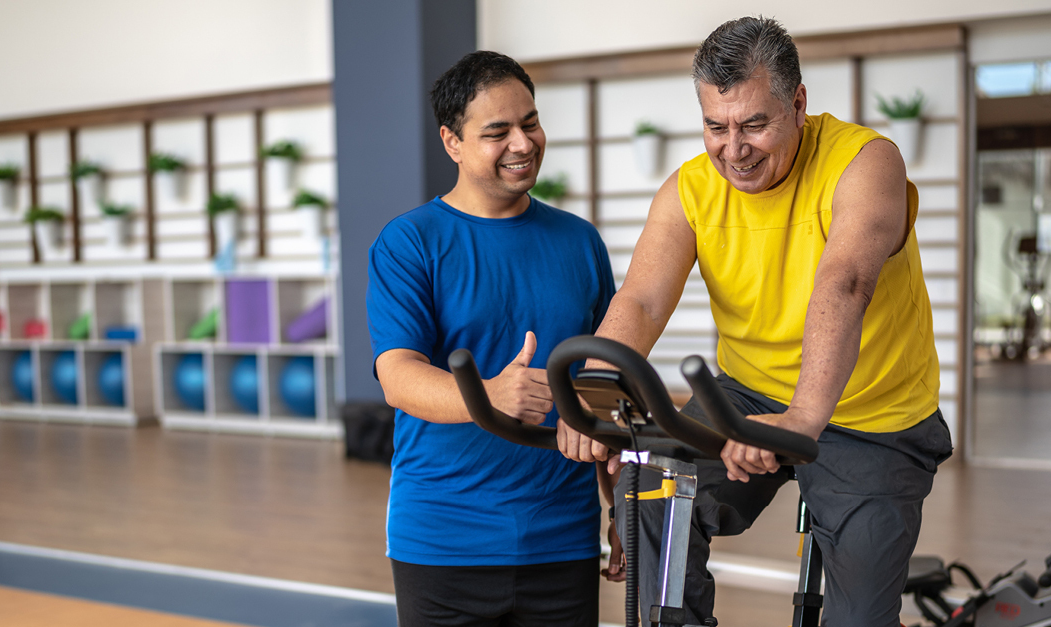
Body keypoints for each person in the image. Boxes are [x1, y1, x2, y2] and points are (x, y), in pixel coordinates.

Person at [558, 16, 954, 626]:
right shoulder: (690, 189)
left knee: (861, 618)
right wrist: (592, 396)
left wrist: (800, 419)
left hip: (873, 412)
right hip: (746, 392)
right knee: (652, 493)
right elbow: (639, 301)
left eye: (754, 124)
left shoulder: (868, 163)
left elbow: (845, 280)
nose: (733, 149)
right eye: (716, 126)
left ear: (798, 103)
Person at [367, 50, 616, 627]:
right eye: (497, 132)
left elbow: (606, 387)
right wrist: (488, 396)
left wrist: (621, 507)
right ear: (452, 142)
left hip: (563, 537)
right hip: (444, 539)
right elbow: (397, 377)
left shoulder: (579, 242)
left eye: (530, 123)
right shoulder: (410, 242)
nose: (523, 144)